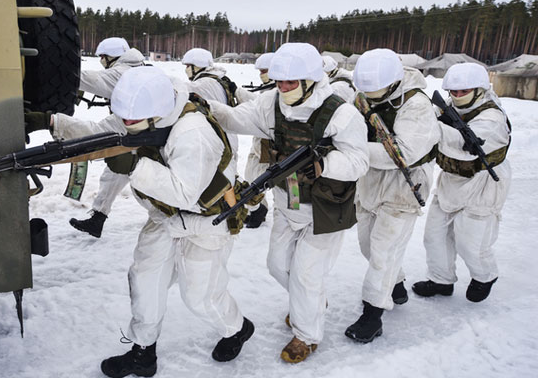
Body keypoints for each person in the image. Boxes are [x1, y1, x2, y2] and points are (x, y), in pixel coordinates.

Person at [45, 67, 254, 377]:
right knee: (144, 281)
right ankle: (143, 352)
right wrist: (53, 122)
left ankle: (236, 328)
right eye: (125, 119)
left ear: (157, 114)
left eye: (132, 122)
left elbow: (185, 193)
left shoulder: (193, 132)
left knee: (200, 296)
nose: (127, 126)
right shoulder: (138, 110)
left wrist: (135, 165)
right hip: (163, 216)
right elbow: (101, 134)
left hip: (205, 221)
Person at [208, 42, 369, 363]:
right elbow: (238, 119)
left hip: (326, 206)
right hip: (288, 200)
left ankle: (306, 336)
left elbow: (359, 161)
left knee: (307, 275)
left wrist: (326, 164)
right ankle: (310, 302)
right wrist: (204, 107)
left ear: (310, 80)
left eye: (290, 82)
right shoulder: (272, 104)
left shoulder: (340, 112)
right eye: (279, 81)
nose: (282, 87)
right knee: (278, 265)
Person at [345, 49, 440, 344]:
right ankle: (395, 282)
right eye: (366, 91)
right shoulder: (362, 96)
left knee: (384, 251)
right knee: (367, 245)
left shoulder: (416, 104)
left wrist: (351, 151)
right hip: (369, 180)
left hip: (404, 183)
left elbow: (404, 153)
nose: (369, 97)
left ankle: (373, 314)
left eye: (376, 91)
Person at [413, 63, 511, 303]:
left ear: (478, 90)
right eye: (454, 92)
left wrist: (430, 127)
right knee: (435, 235)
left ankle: (484, 275)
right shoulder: (446, 109)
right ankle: (441, 279)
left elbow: (464, 148)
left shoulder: (492, 117)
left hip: (483, 184)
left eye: (463, 91)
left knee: (471, 242)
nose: (457, 96)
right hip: (451, 180)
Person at [69, 37, 144, 238]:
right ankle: (97, 220)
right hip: (136, 132)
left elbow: (92, 80)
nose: (101, 62)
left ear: (109, 57)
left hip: (133, 131)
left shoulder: (121, 73)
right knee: (114, 173)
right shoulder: (139, 68)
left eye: (102, 58)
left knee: (144, 185)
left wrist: (63, 72)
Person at [242, 52, 275, 228]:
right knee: (252, 179)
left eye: (266, 70)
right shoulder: (266, 89)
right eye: (261, 71)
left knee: (291, 190)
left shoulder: (282, 91)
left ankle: (292, 217)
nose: (262, 74)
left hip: (282, 148)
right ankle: (257, 210)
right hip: (261, 145)